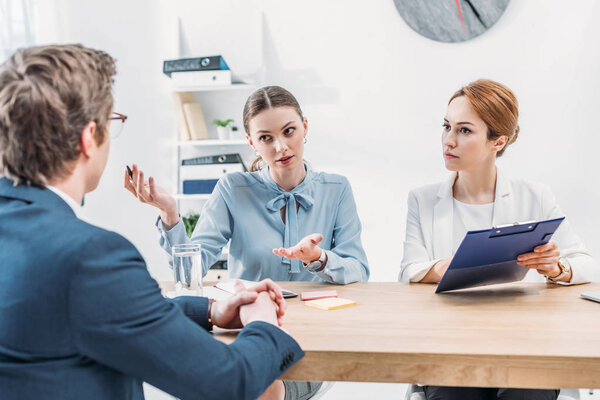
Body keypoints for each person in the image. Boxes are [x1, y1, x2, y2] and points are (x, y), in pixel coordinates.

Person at [0, 44, 304, 400]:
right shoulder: (91, 257)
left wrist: (210, 310)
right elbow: (228, 382)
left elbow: (97, 307)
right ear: (88, 139)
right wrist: (264, 321)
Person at [124, 85, 370, 399]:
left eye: (289, 131)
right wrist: (170, 213)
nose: (281, 147)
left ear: (305, 127)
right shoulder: (233, 188)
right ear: (251, 142)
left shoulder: (336, 189)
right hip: (248, 333)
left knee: (258, 389)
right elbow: (191, 271)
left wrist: (318, 257)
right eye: (266, 138)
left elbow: (358, 269)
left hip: (314, 339)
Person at [399, 79, 597, 400]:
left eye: (464, 130)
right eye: (446, 126)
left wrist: (556, 268)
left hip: (526, 346)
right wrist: (450, 267)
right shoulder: (421, 201)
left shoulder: (535, 196)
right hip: (451, 347)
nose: (448, 140)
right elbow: (409, 269)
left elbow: (588, 265)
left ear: (497, 141)